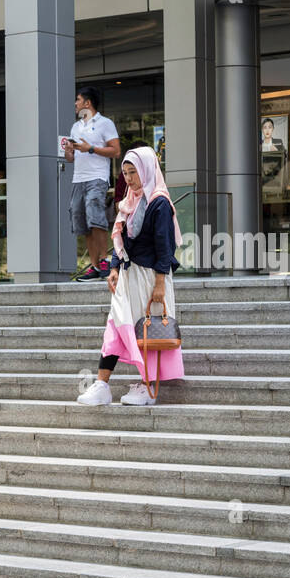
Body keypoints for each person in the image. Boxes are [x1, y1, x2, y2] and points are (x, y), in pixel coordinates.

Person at [76, 146, 184, 407]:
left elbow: (164, 245)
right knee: (115, 327)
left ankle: (148, 387)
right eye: (125, 173)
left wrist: (160, 281)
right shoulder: (130, 201)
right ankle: (102, 384)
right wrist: (113, 267)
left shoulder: (159, 202)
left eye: (133, 172)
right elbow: (120, 238)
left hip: (149, 277)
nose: (129, 179)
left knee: (145, 331)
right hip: (128, 275)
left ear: (146, 169)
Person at [65, 86, 121, 282]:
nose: (75, 103)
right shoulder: (76, 127)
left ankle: (104, 259)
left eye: (78, 100)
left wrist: (90, 149)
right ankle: (95, 266)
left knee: (95, 215)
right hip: (78, 179)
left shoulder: (105, 123)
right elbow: (71, 159)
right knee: (81, 221)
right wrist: (69, 151)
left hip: (97, 177)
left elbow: (115, 151)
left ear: (87, 103)